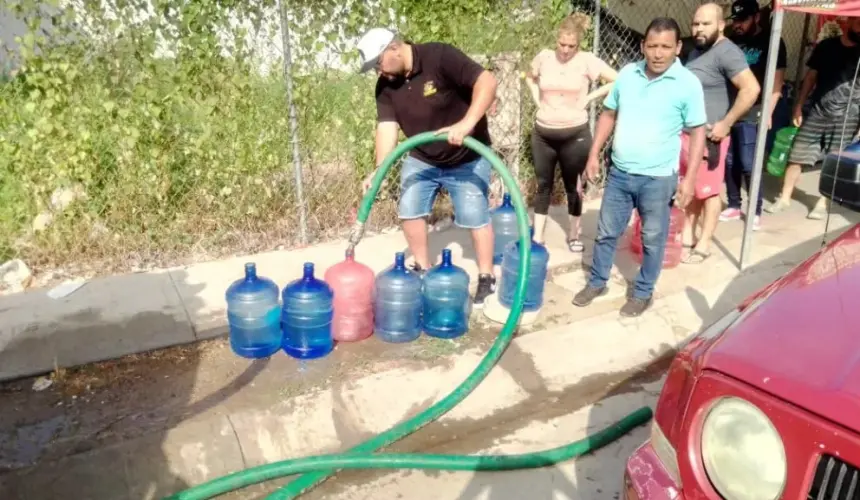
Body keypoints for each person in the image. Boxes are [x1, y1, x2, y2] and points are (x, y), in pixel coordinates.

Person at [572, 17, 707, 317]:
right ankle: (597, 281)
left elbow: (697, 131)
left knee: (652, 238)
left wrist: (690, 179)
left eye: (666, 47)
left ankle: (643, 291)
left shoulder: (687, 84)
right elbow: (609, 113)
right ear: (643, 46)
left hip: (658, 179)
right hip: (620, 173)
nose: (658, 53)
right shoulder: (628, 75)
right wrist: (594, 154)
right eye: (653, 46)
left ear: (678, 48)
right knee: (607, 232)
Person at [355, 28, 499, 307]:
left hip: (467, 156)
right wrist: (379, 171)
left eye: (378, 64)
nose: (377, 73)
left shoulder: (440, 56)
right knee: (409, 210)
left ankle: (485, 276)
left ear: (393, 48)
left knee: (474, 215)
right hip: (422, 157)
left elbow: (488, 82)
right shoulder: (385, 86)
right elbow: (386, 129)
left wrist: (467, 123)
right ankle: (423, 267)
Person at [525, 13, 618, 251]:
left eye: (571, 46)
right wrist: (537, 100)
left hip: (574, 134)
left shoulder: (587, 60)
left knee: (573, 185)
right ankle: (538, 237)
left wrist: (589, 97)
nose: (566, 50)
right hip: (543, 133)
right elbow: (529, 77)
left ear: (578, 44)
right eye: (562, 44)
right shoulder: (544, 57)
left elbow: (617, 80)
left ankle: (575, 234)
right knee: (543, 184)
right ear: (556, 40)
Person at [681, 2, 760, 264]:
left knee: (710, 192)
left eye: (706, 23)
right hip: (689, 135)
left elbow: (751, 89)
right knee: (692, 187)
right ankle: (688, 234)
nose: (699, 28)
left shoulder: (727, 52)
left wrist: (726, 123)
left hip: (710, 137)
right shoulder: (696, 51)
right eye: (696, 23)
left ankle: (704, 243)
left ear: (720, 25)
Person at [767, 18, 860, 219]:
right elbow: (811, 77)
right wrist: (799, 105)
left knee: (834, 161)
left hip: (848, 115)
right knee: (796, 155)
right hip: (818, 110)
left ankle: (822, 203)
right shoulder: (827, 46)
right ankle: (784, 197)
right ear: (849, 22)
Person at [721, 0, 788, 230]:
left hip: (754, 108)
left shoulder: (772, 42)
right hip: (729, 108)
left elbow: (777, 82)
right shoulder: (731, 40)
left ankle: (755, 210)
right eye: (736, 20)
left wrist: (768, 111)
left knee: (749, 162)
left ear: (757, 18)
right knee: (730, 161)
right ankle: (733, 204)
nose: (738, 25)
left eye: (743, 20)